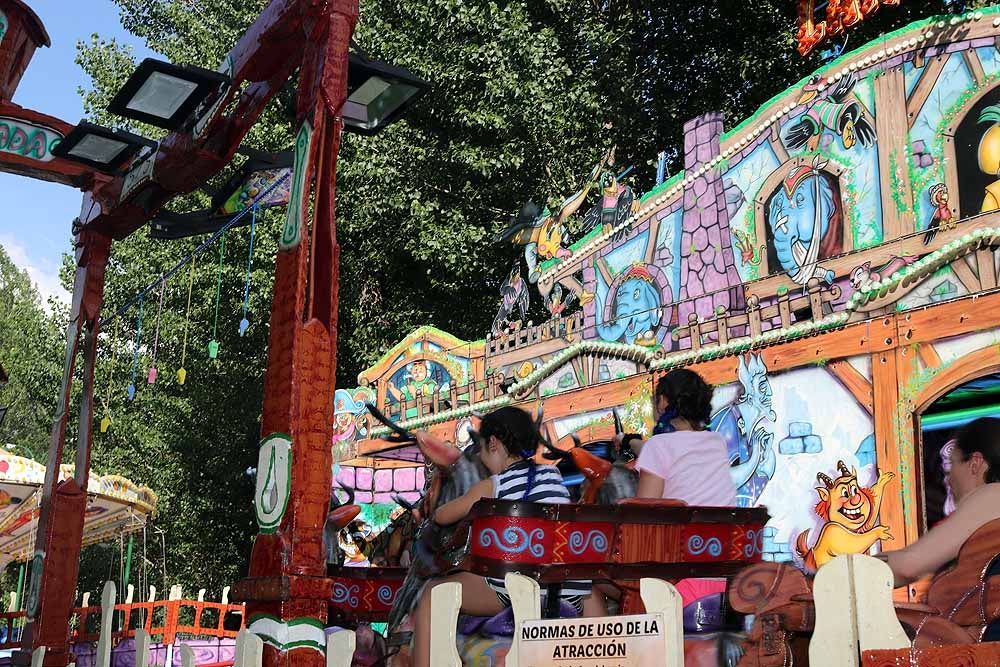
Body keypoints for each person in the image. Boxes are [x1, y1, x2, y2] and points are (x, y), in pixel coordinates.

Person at [409, 406, 589, 667]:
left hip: (512, 591)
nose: (482, 459)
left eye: (481, 450)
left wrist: (441, 508)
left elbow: (442, 516)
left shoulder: (495, 484)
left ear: (493, 444)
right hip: (566, 593)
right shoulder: (553, 475)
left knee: (431, 594)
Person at [584, 368, 738, 615]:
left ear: (663, 401)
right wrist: (631, 442)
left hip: (678, 585)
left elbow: (643, 514)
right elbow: (676, 450)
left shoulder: (659, 446)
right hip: (721, 577)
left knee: (589, 578)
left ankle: (618, 651)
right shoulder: (715, 442)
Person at [878, 417, 1000, 588]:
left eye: (953, 464)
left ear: (975, 463)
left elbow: (908, 566)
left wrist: (854, 564)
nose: (948, 480)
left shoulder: (992, 497)